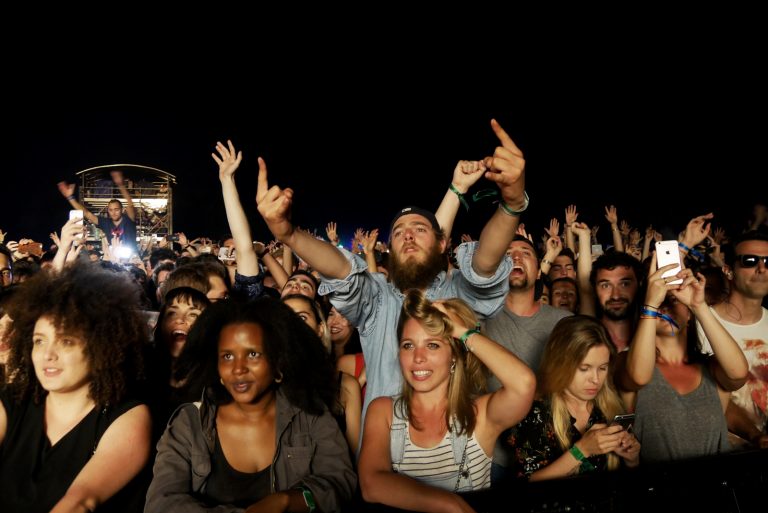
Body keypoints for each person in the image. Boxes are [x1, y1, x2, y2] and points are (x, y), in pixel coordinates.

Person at [256, 119, 528, 431]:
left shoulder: (459, 290)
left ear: (442, 243)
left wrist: (511, 203)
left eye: (419, 229)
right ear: (391, 249)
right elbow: (341, 269)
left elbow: (485, 264)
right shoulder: (377, 297)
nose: (408, 235)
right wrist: (289, 234)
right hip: (385, 449)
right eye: (398, 232)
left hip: (457, 449)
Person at [145, 298, 356, 513]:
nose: (238, 369)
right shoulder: (190, 422)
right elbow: (161, 503)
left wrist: (287, 500)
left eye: (253, 354)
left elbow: (340, 481)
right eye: (227, 356)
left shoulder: (310, 414)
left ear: (278, 362)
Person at [358, 290, 535, 513]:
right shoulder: (383, 411)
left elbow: (524, 384)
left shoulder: (480, 415)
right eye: (408, 345)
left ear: (454, 355)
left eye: (432, 345)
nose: (418, 357)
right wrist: (451, 505)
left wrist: (463, 333)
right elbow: (371, 484)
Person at [0, 263, 151, 513]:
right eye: (39, 341)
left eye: (66, 341)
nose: (48, 354)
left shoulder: (128, 417)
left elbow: (80, 502)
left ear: (101, 346)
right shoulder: (12, 400)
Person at [615, 255, 749, 463]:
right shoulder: (625, 362)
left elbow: (739, 374)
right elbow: (639, 377)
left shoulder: (711, 367)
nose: (666, 305)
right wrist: (651, 303)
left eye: (675, 299)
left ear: (688, 315)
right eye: (661, 300)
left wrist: (699, 306)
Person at [505, 316, 640, 481]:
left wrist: (632, 460)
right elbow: (524, 486)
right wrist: (581, 450)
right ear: (560, 364)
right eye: (584, 368)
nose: (596, 379)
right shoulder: (534, 412)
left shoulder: (609, 406)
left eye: (602, 368)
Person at [697, 230, 768, 447]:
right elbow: (707, 396)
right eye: (750, 261)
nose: (762, 268)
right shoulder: (701, 323)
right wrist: (755, 435)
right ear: (728, 270)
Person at [58, 170, 139, 254]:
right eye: (111, 210)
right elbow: (87, 213)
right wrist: (70, 198)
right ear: (108, 211)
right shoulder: (106, 223)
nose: (113, 212)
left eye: (116, 209)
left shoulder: (129, 219)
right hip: (114, 257)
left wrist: (120, 185)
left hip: (132, 256)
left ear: (122, 210)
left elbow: (130, 205)